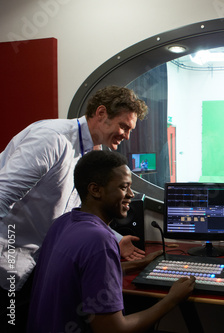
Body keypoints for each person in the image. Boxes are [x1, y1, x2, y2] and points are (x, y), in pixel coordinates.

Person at [0, 86, 148, 332]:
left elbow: (79, 212)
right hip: (7, 264)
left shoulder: (92, 153)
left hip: (34, 266)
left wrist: (117, 238)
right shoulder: (51, 139)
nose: (127, 135)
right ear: (101, 113)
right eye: (124, 126)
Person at [27, 150, 195, 332]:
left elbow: (83, 274)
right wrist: (172, 299)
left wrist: (139, 264)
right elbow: (113, 329)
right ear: (95, 190)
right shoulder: (99, 240)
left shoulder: (63, 222)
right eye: (124, 187)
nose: (131, 194)